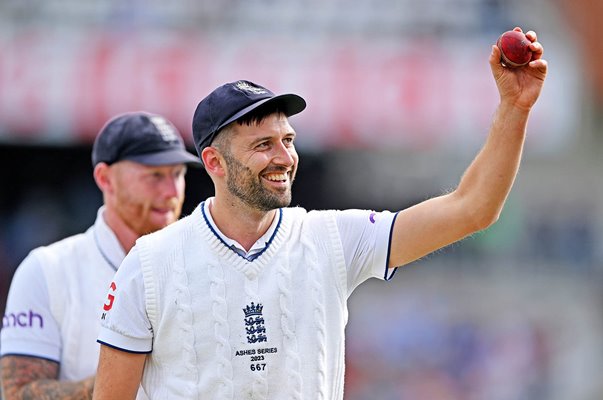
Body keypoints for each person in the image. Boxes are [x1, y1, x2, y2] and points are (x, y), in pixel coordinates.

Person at [92, 28, 548, 400]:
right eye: (263, 145)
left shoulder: (330, 237)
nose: (284, 157)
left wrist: (514, 108)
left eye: (288, 140)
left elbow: (472, 209)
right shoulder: (150, 263)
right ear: (213, 163)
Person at [0, 111, 201, 400]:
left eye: (178, 174)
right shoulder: (48, 269)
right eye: (154, 175)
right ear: (105, 178)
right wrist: (123, 373)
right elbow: (18, 394)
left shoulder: (201, 264)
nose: (171, 191)